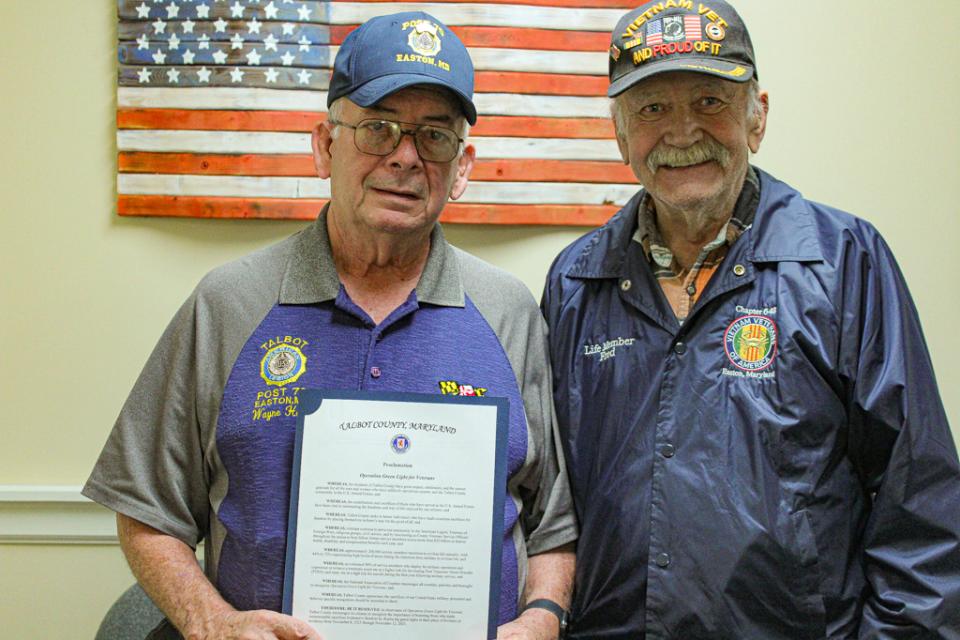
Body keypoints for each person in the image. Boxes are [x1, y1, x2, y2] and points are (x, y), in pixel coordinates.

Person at [85, 12, 576, 640]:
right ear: (324, 146)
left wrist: (542, 617)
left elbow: (555, 523)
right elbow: (146, 508)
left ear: (463, 167)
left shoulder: (510, 312)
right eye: (378, 129)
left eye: (434, 137)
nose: (405, 158)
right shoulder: (229, 303)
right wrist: (211, 622)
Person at [541, 1, 960, 638]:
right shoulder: (575, 281)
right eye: (652, 109)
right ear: (621, 134)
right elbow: (550, 503)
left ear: (757, 116)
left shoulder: (845, 262)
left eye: (710, 101)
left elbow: (920, 508)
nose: (682, 133)